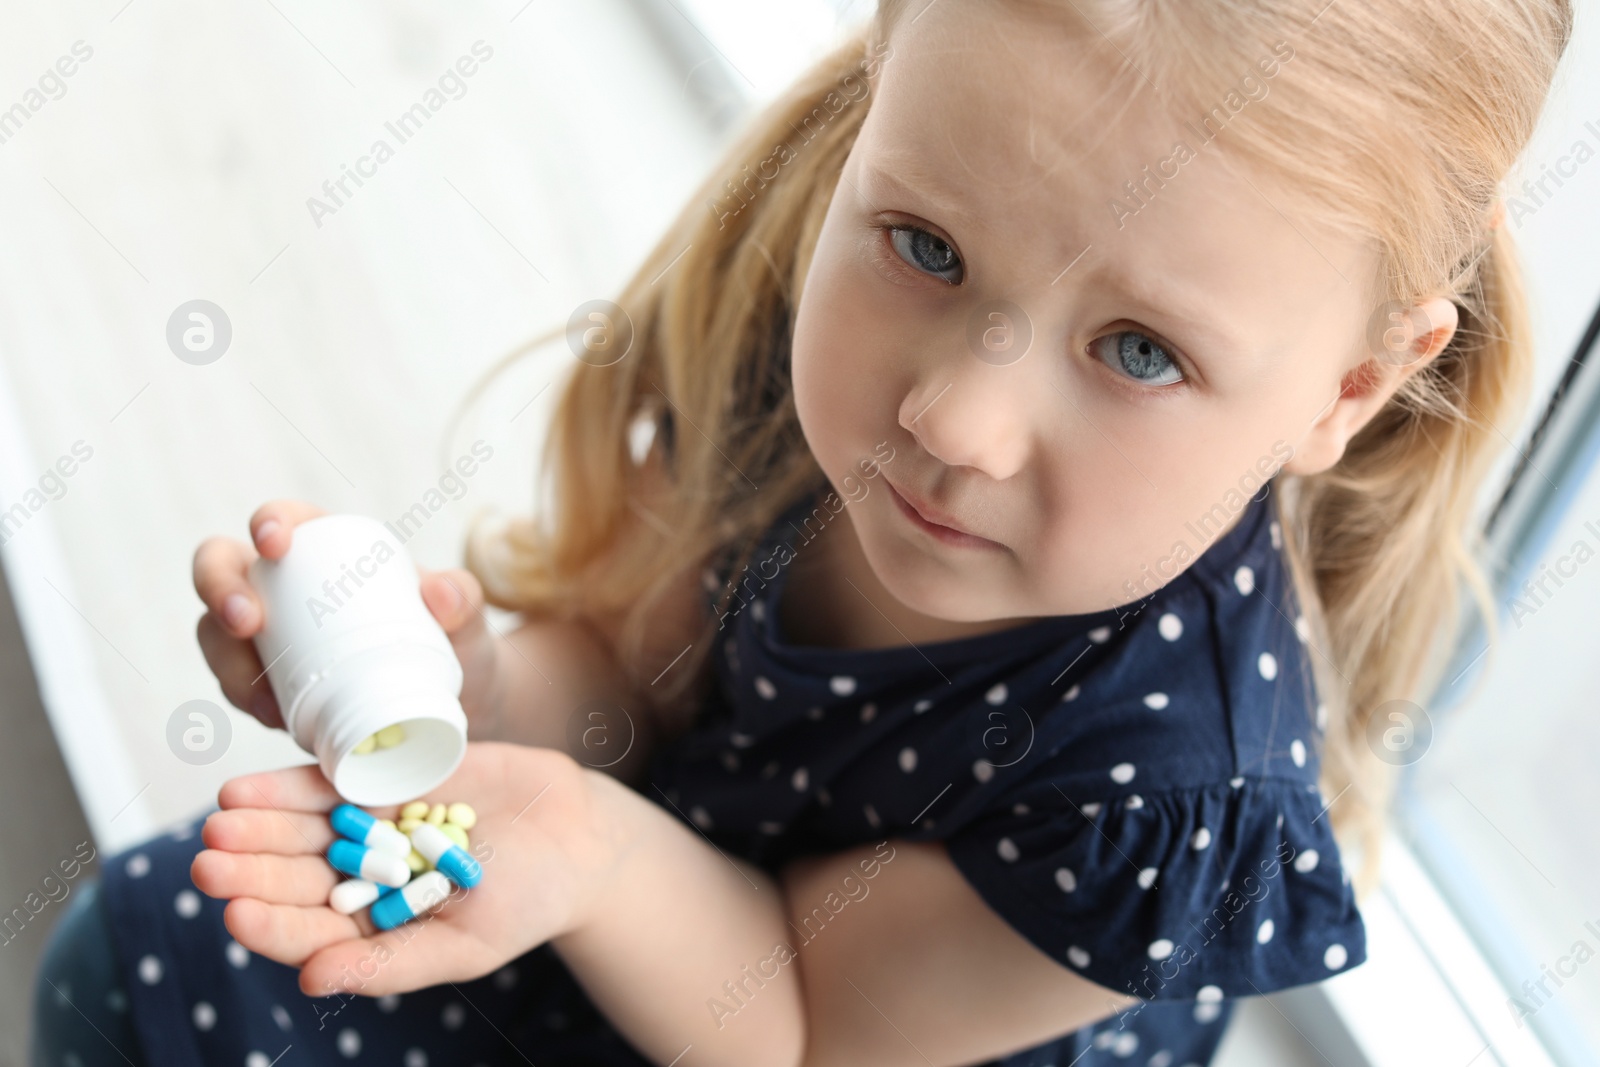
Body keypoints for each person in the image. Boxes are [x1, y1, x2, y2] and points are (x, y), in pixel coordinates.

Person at [31, 0, 1572, 1063]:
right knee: (130, 960)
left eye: (1141, 353)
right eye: (924, 245)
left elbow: (807, 1021)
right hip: (622, 897)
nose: (953, 423)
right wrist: (458, 703)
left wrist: (574, 845)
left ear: (1350, 390)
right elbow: (631, 687)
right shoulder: (809, 364)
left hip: (794, 1023)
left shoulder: (1171, 796)